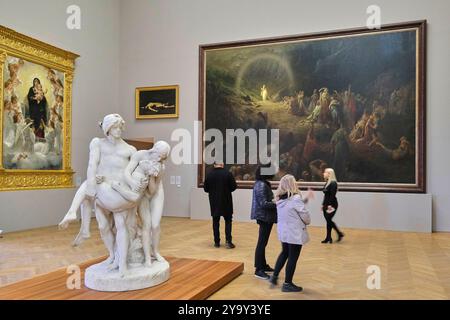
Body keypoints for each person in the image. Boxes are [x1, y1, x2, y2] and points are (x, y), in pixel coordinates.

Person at [269, 174, 312, 292]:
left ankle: (274, 276)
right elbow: (305, 215)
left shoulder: (279, 199)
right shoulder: (295, 198)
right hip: (294, 232)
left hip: (284, 231)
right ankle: (287, 283)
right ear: (293, 184)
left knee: (285, 253)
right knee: (293, 257)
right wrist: (308, 221)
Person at [251, 164, 277, 280]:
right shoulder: (261, 185)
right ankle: (258, 269)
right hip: (264, 217)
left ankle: (263, 265)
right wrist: (278, 203)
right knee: (261, 243)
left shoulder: (263, 183)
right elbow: (264, 204)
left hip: (266, 217)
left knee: (263, 242)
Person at [203, 161, 237, 249]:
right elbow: (233, 187)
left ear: (214, 165)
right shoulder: (228, 174)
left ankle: (216, 242)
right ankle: (228, 242)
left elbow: (206, 189)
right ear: (222, 165)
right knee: (228, 221)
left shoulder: (209, 175)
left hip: (214, 202)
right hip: (226, 201)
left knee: (215, 221)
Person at [321, 168, 344, 243]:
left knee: (328, 220)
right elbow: (326, 195)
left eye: (325, 172)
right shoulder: (328, 182)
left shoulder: (333, 183)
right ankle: (329, 237)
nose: (323, 173)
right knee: (328, 221)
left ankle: (338, 234)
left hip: (332, 204)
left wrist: (329, 205)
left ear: (329, 174)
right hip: (326, 204)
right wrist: (323, 204)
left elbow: (332, 195)